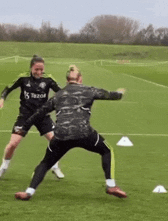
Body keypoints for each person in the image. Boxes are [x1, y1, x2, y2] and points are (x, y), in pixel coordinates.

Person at [15, 65, 127, 201]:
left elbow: (39, 113)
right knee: (106, 150)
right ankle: (111, 185)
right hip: (84, 133)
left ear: (67, 80)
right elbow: (111, 95)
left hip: (61, 135)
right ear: (80, 79)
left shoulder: (58, 95)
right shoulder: (88, 90)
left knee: (45, 163)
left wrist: (24, 127)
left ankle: (29, 192)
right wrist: (120, 93)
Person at [0, 55, 64, 179]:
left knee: (55, 141)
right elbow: (8, 88)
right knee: (13, 144)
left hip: (42, 116)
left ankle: (55, 166)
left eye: (41, 69)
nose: (39, 72)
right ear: (31, 68)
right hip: (25, 116)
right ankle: (3, 167)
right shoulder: (23, 78)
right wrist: (2, 99)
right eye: (36, 69)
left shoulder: (48, 79)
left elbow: (61, 92)